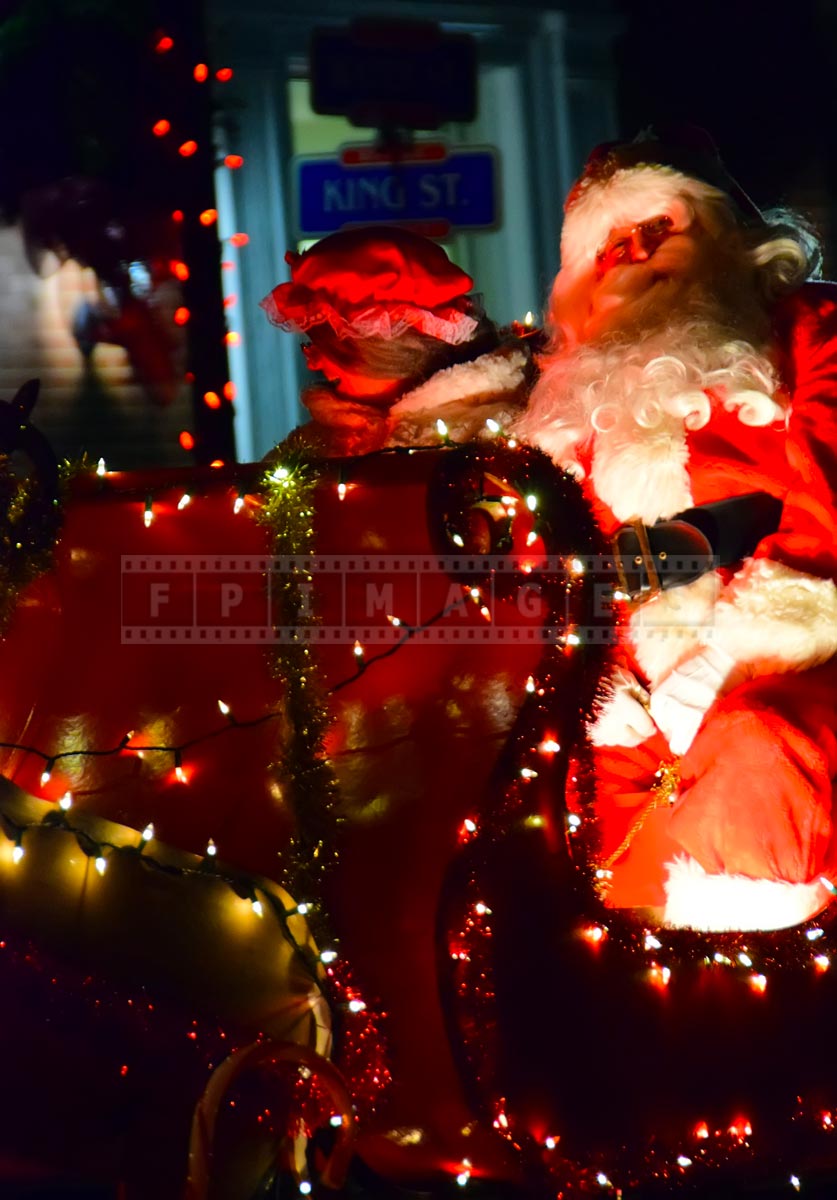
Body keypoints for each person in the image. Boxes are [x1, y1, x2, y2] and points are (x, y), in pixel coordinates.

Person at [513, 127, 837, 932]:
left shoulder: (808, 332)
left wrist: (738, 653)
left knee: (761, 758)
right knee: (546, 841)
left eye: (661, 226)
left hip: (789, 672)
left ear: (726, 234)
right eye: (610, 243)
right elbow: (531, 558)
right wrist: (574, 676)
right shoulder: (559, 398)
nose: (635, 250)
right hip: (625, 699)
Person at [260, 225, 534, 456]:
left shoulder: (498, 440)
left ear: (391, 348)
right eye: (310, 344)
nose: (314, 364)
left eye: (328, 348)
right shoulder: (315, 445)